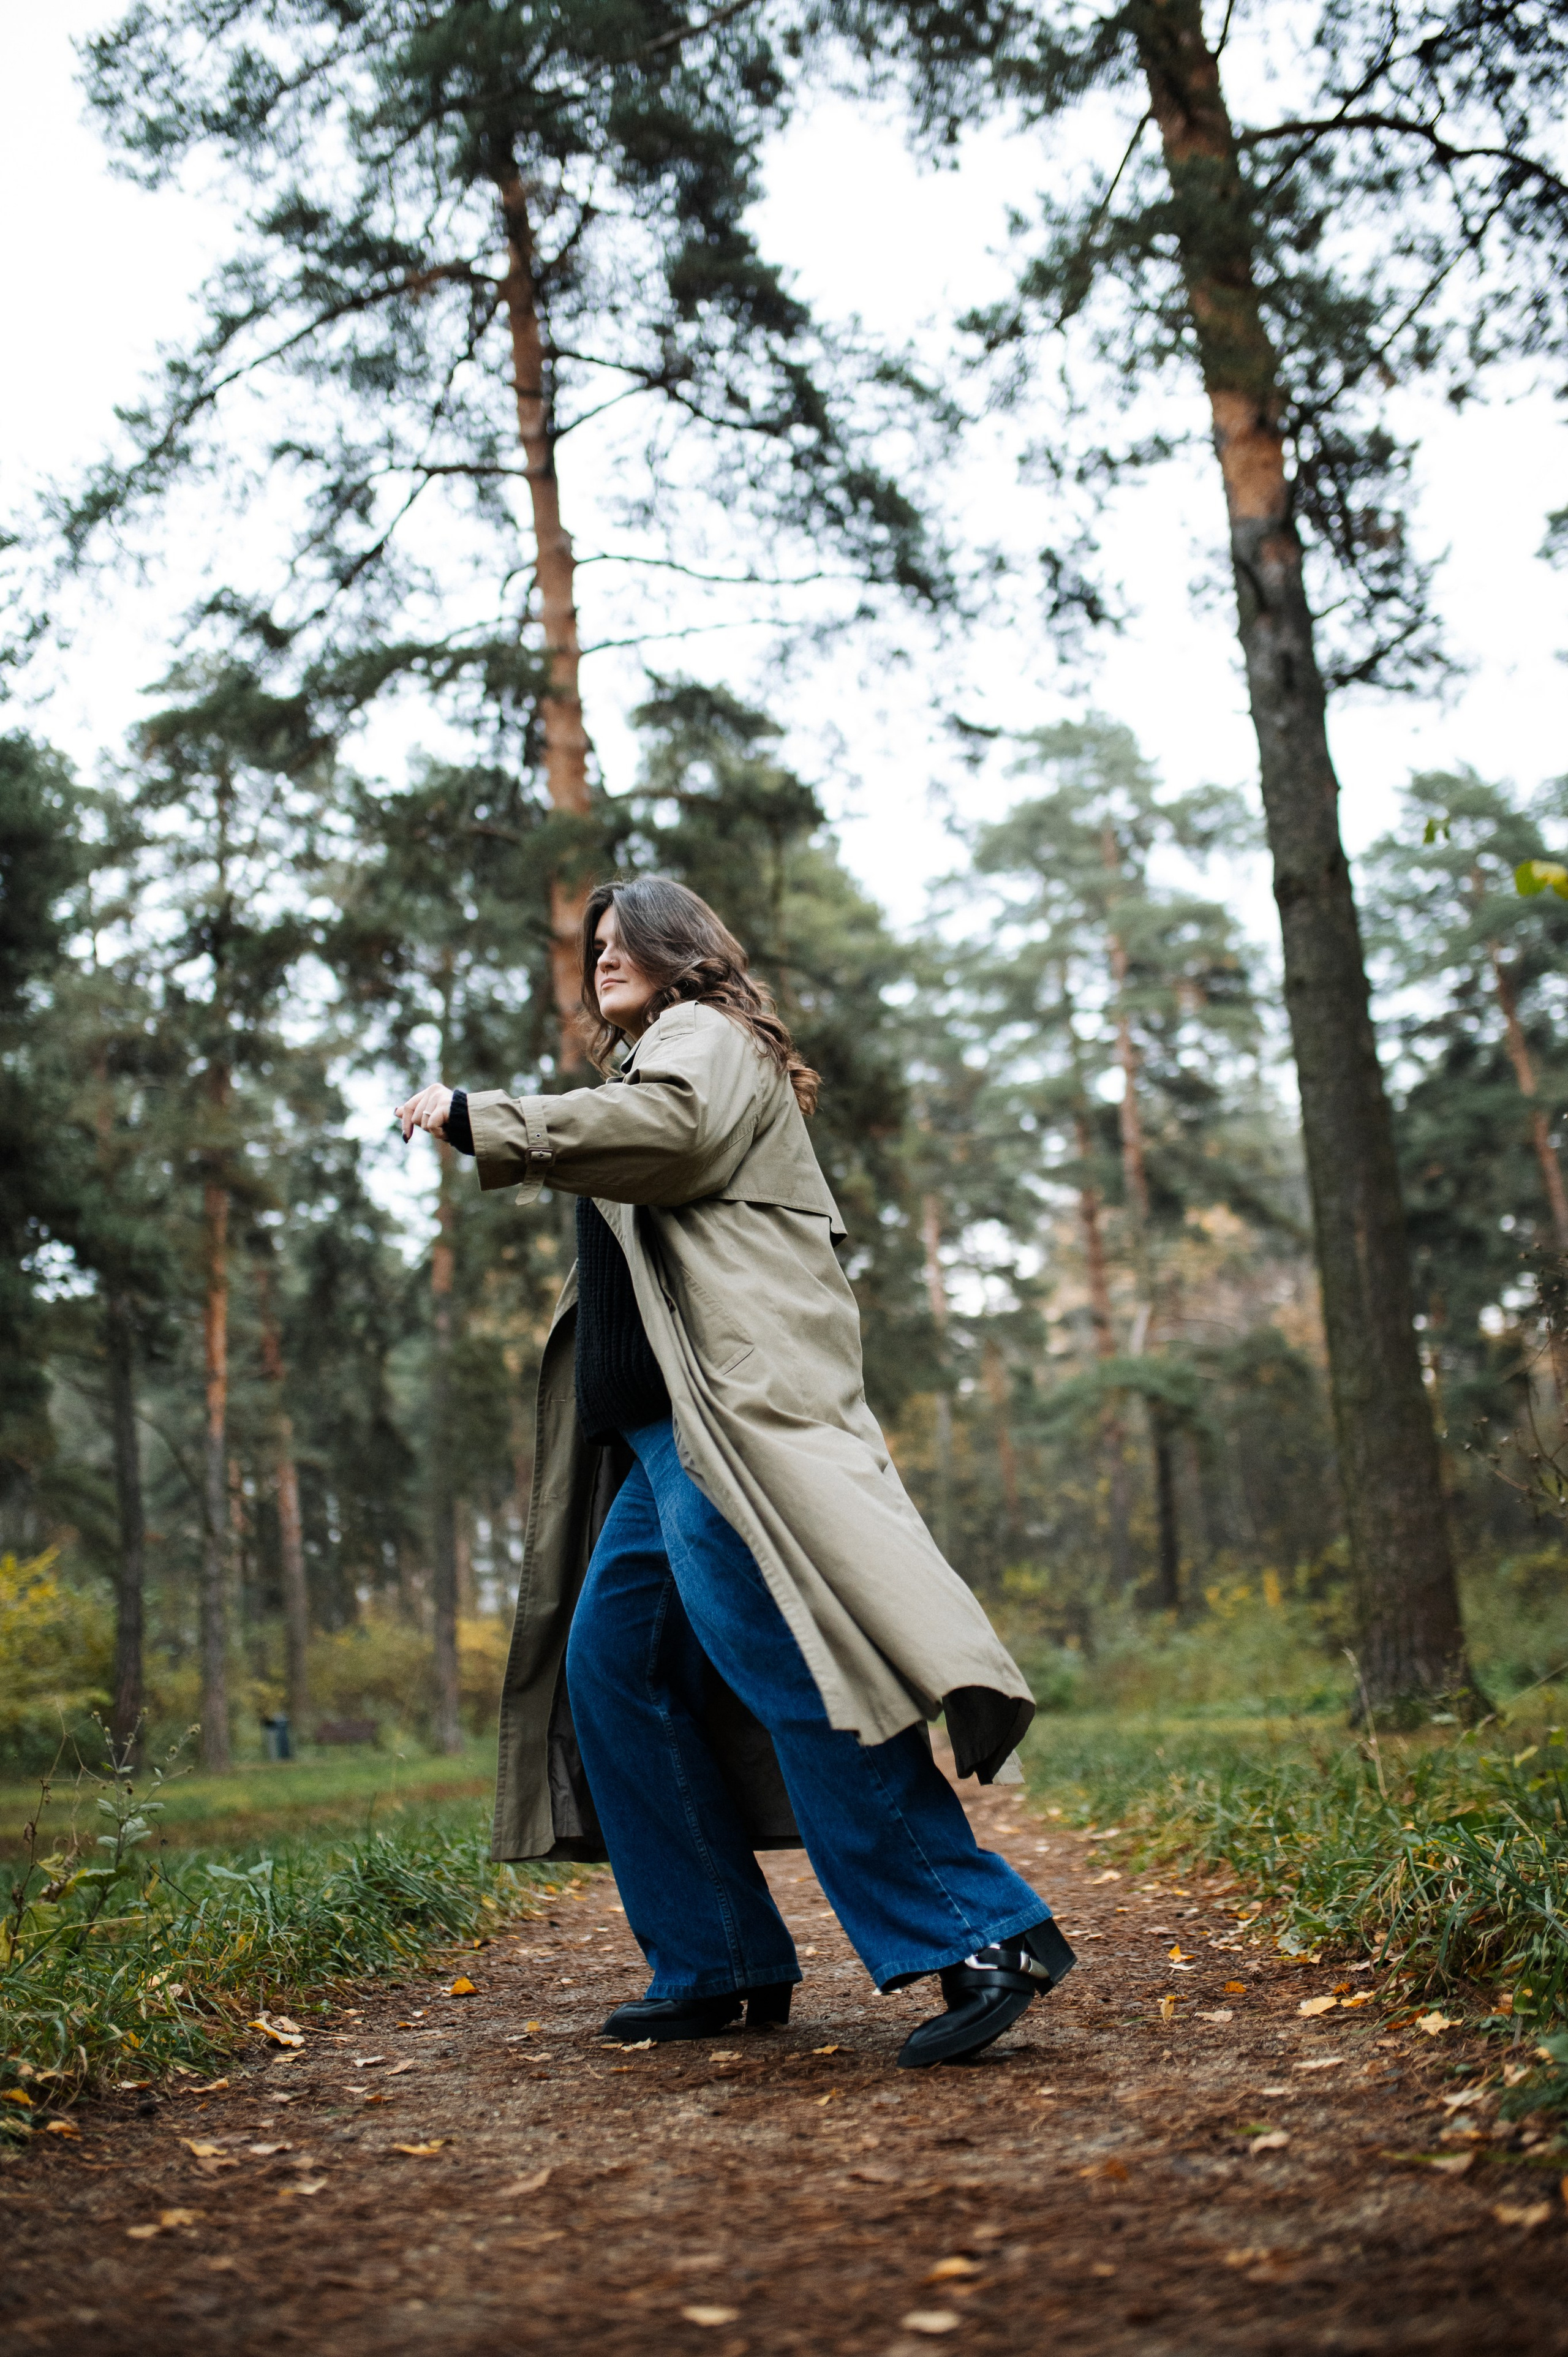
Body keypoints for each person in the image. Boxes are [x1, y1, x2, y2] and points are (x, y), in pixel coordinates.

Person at [394, 877, 1073, 2067]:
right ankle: (716, 1955)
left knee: (788, 1661)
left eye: (624, 942)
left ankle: (976, 1929)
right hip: (661, 1445)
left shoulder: (701, 1036)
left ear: (682, 951)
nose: (602, 958)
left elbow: (671, 1136)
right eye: (592, 946)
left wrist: (482, 1117)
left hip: (726, 1426)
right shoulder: (658, 1057)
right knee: (611, 1674)